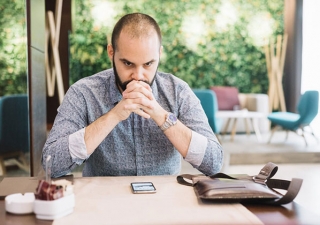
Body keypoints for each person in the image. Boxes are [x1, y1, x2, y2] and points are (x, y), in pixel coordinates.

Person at [42, 13, 223, 177]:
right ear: (111, 53)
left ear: (159, 54)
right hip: (104, 204)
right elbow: (51, 163)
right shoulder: (83, 92)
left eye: (148, 64)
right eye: (128, 64)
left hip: (164, 203)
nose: (138, 75)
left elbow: (214, 163)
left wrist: (160, 115)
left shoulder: (178, 92)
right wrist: (113, 116)